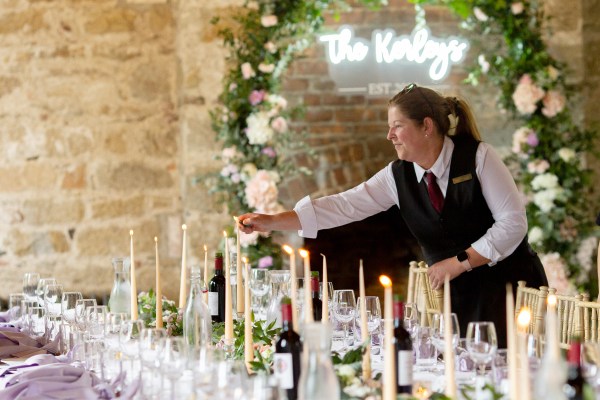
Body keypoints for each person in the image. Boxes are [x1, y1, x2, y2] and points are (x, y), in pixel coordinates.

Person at [238, 83, 548, 347]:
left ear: (426, 126)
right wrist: (271, 221)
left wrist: (459, 263)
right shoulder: (396, 176)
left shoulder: (479, 157)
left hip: (509, 292)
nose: (390, 135)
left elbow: (513, 223)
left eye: (397, 126)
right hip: (457, 298)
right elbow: (343, 205)